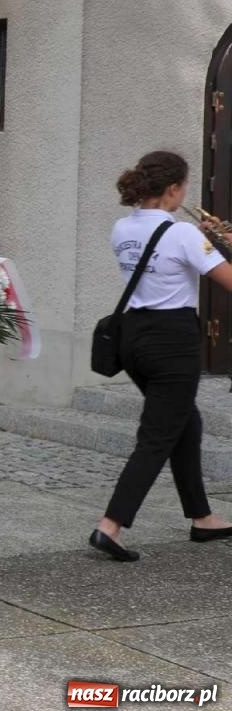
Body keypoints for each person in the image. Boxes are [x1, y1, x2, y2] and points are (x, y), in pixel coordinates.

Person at [90, 150, 232, 560]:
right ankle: (111, 525)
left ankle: (201, 518)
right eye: (184, 186)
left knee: (184, 420)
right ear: (173, 189)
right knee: (157, 435)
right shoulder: (184, 234)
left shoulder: (122, 228)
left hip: (134, 337)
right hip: (172, 340)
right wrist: (218, 242)